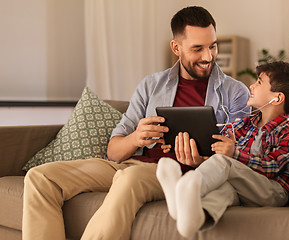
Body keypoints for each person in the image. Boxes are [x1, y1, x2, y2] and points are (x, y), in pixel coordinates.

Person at [22, 6, 250, 240]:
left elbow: (238, 158)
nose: (208, 56)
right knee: (41, 177)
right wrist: (136, 138)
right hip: (129, 164)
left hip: (170, 175)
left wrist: (201, 160)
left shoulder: (235, 93)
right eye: (197, 48)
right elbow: (114, 151)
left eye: (212, 46)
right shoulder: (151, 85)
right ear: (176, 48)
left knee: (128, 179)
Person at [157, 61, 289, 238]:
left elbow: (274, 166)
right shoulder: (241, 125)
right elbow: (216, 158)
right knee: (223, 191)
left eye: (259, 82)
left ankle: (181, 190)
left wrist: (234, 154)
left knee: (226, 163)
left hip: (273, 191)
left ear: (277, 98)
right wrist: (200, 156)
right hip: (241, 187)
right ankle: (191, 220)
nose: (251, 86)